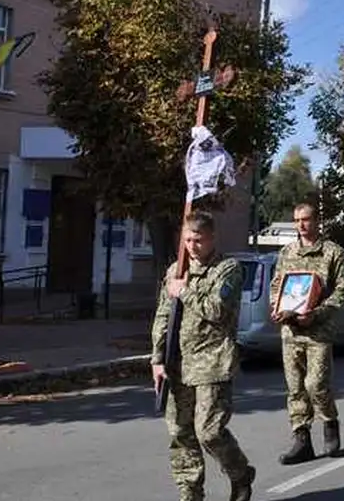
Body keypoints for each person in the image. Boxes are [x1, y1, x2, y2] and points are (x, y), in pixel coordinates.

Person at [150, 211, 254, 501]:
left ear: (212, 238)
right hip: (177, 363)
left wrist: (184, 293)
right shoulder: (175, 270)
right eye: (187, 240)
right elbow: (162, 316)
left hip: (213, 362)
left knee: (209, 432)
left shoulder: (228, 269)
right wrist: (156, 359)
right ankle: (190, 493)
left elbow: (218, 310)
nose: (192, 246)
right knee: (181, 433)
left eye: (198, 240)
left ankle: (240, 473)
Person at [270, 202, 344, 465]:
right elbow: (276, 286)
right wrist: (277, 307)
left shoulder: (332, 253)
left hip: (318, 331)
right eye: (296, 220)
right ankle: (301, 439)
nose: (301, 225)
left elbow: (341, 292)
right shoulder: (287, 252)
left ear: (317, 221)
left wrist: (316, 313)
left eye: (305, 220)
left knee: (316, 385)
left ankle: (329, 421)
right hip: (291, 332)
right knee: (295, 388)